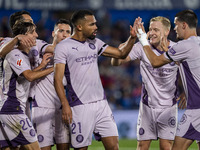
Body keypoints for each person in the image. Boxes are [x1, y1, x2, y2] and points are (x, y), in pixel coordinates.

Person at [54, 9, 137, 150]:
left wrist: (132, 38)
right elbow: (57, 80)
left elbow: (121, 54)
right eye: (92, 24)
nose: (96, 27)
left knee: (113, 147)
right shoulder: (63, 47)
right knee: (81, 148)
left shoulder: (95, 43)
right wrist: (65, 104)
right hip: (80, 105)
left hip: (101, 104)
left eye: (95, 24)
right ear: (80, 26)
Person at [111, 16, 179, 150]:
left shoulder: (177, 49)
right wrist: (132, 38)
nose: (152, 32)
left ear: (166, 32)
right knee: (142, 146)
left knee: (166, 147)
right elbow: (116, 62)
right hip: (148, 106)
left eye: (156, 30)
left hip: (169, 107)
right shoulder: (141, 47)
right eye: (150, 29)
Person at [136, 10, 200, 150]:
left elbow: (155, 61)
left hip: (196, 109)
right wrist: (188, 91)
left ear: (184, 25)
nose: (175, 28)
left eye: (176, 25)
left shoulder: (183, 45)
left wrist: (142, 38)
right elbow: (191, 69)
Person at [0, 21, 53, 150]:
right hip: (13, 109)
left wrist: (41, 67)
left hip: (7, 110)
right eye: (32, 32)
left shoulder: (21, 55)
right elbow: (29, 76)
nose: (36, 35)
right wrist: (55, 68)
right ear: (23, 37)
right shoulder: (15, 54)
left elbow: (24, 75)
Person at [32, 19, 72, 150]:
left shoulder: (71, 58)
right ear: (53, 33)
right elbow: (29, 76)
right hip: (42, 108)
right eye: (61, 31)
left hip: (62, 109)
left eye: (68, 32)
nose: (65, 35)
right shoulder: (40, 50)